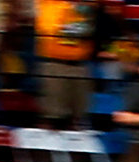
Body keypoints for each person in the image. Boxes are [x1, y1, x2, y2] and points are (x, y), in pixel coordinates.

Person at [35, 0, 96, 128]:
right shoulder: (48, 4)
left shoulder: (86, 6)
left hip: (81, 65)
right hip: (55, 64)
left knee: (79, 118)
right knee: (52, 116)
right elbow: (48, 29)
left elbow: (90, 28)